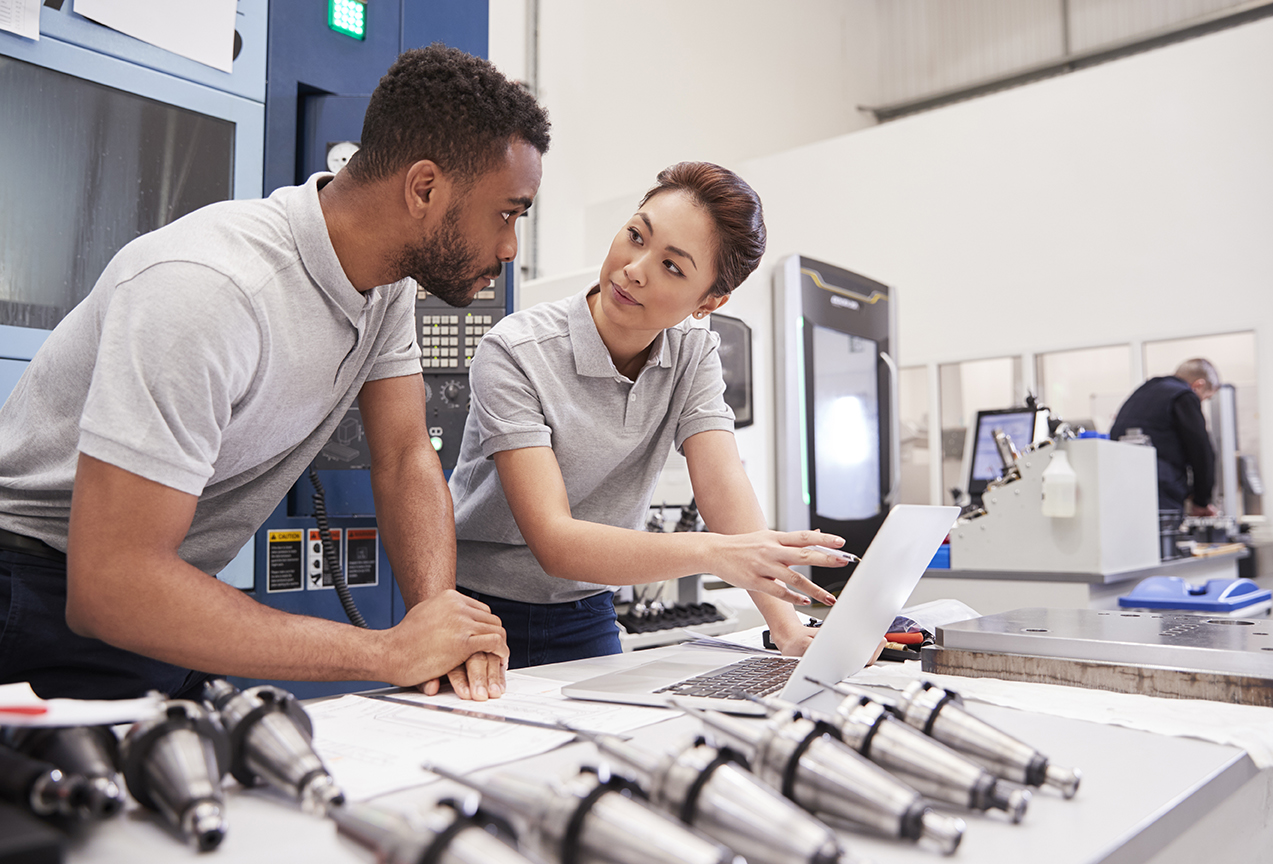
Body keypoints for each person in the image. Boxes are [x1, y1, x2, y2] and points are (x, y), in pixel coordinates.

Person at [0, 45, 550, 702]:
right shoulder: (210, 292)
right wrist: (386, 649)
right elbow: (111, 586)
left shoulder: (386, 282)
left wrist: (438, 628)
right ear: (424, 188)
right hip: (32, 589)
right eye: (507, 213)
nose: (511, 248)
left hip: (152, 585)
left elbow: (404, 455)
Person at [449, 161, 850, 669]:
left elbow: (722, 482)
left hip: (587, 608)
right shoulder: (515, 351)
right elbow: (554, 541)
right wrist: (714, 552)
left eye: (673, 267)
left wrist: (787, 627)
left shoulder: (693, 351)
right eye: (637, 236)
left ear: (710, 301)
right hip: (479, 609)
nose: (635, 268)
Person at [1109, 358, 1219, 516]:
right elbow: (1201, 451)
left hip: (1122, 485)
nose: (1201, 401)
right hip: (1161, 489)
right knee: (1164, 536)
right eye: (1205, 397)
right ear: (1198, 385)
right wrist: (1201, 501)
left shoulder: (1145, 390)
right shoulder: (1184, 396)